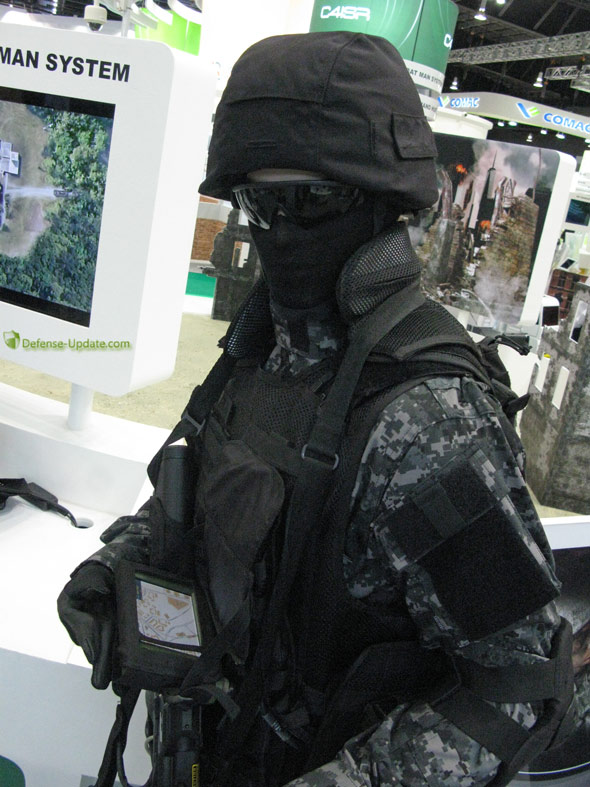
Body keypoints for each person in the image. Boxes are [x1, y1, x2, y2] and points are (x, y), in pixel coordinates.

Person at [58, 31, 579, 787]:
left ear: (383, 203)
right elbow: (199, 499)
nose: (279, 229)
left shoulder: (430, 422)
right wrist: (116, 567)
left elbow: (519, 687)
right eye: (257, 202)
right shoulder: (262, 352)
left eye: (309, 200)